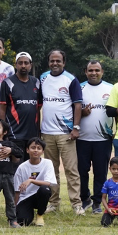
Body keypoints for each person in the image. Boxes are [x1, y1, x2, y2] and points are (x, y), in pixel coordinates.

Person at [36, 50, 82, 214]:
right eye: (52, 61)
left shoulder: (71, 80)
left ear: (64, 62)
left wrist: (76, 128)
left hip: (66, 133)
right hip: (47, 133)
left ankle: (76, 204)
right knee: (51, 170)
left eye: (58, 61)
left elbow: (78, 105)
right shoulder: (43, 78)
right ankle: (54, 203)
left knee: (71, 169)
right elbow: (39, 104)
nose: (55, 64)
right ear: (48, 62)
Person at [76, 60, 114, 214]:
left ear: (102, 71)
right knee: (81, 171)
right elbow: (73, 109)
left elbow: (115, 110)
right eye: (90, 70)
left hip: (103, 139)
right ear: (86, 71)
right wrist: (82, 113)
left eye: (97, 70)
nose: (93, 73)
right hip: (82, 139)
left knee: (100, 172)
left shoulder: (111, 88)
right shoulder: (79, 87)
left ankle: (97, 201)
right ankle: (84, 199)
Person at [12, 138, 59, 226]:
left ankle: (40, 214)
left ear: (43, 151)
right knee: (23, 222)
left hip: (40, 196)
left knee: (45, 189)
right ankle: (27, 213)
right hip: (25, 197)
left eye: (39, 148)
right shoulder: (22, 167)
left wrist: (31, 180)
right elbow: (17, 191)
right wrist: (14, 210)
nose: (36, 150)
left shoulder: (47, 163)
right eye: (33, 148)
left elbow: (48, 183)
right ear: (27, 150)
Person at [0, 52, 42, 145]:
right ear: (16, 65)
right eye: (20, 63)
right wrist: (3, 131)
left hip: (32, 134)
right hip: (14, 134)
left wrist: (38, 131)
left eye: (26, 63)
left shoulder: (36, 82)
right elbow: (2, 108)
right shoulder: (7, 83)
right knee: (16, 159)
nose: (23, 66)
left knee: (31, 159)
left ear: (31, 65)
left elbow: (38, 109)